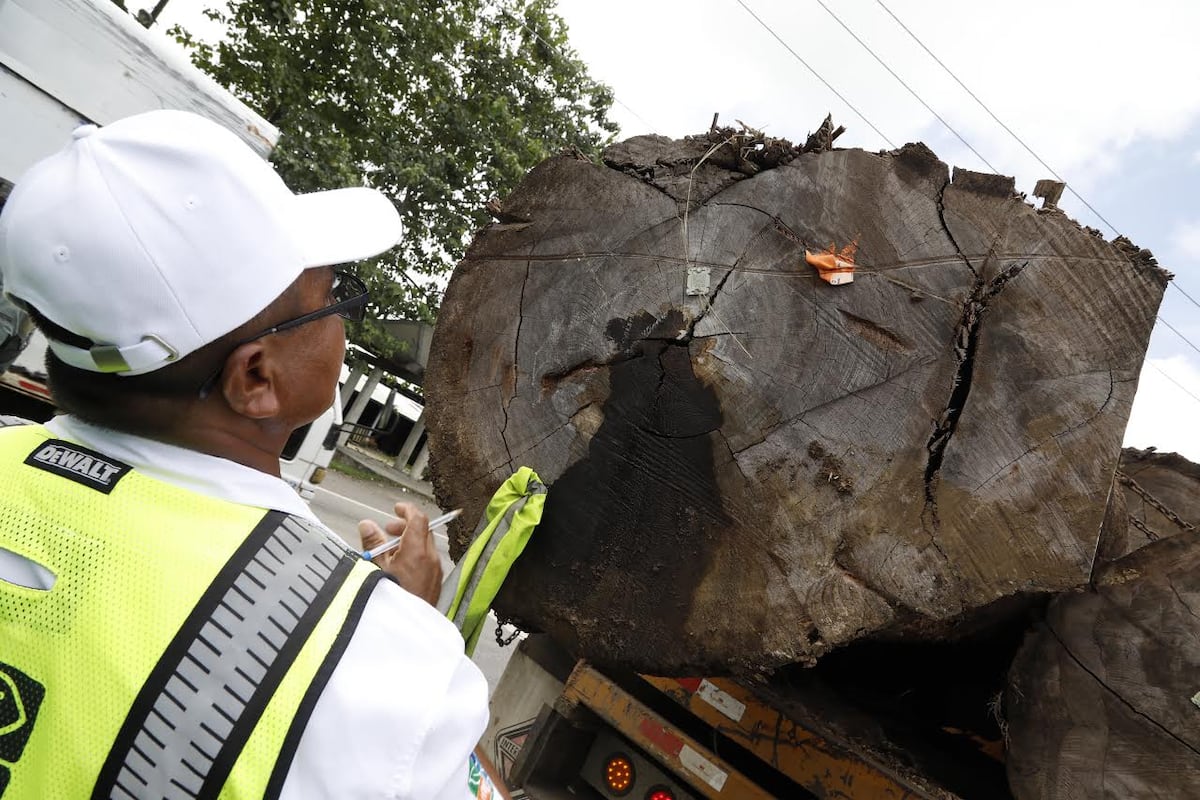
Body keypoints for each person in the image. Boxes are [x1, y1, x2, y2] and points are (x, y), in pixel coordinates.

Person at [0, 110, 487, 798]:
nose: (343, 321)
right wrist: (387, 630)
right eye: (334, 295)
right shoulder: (385, 672)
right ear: (255, 377)